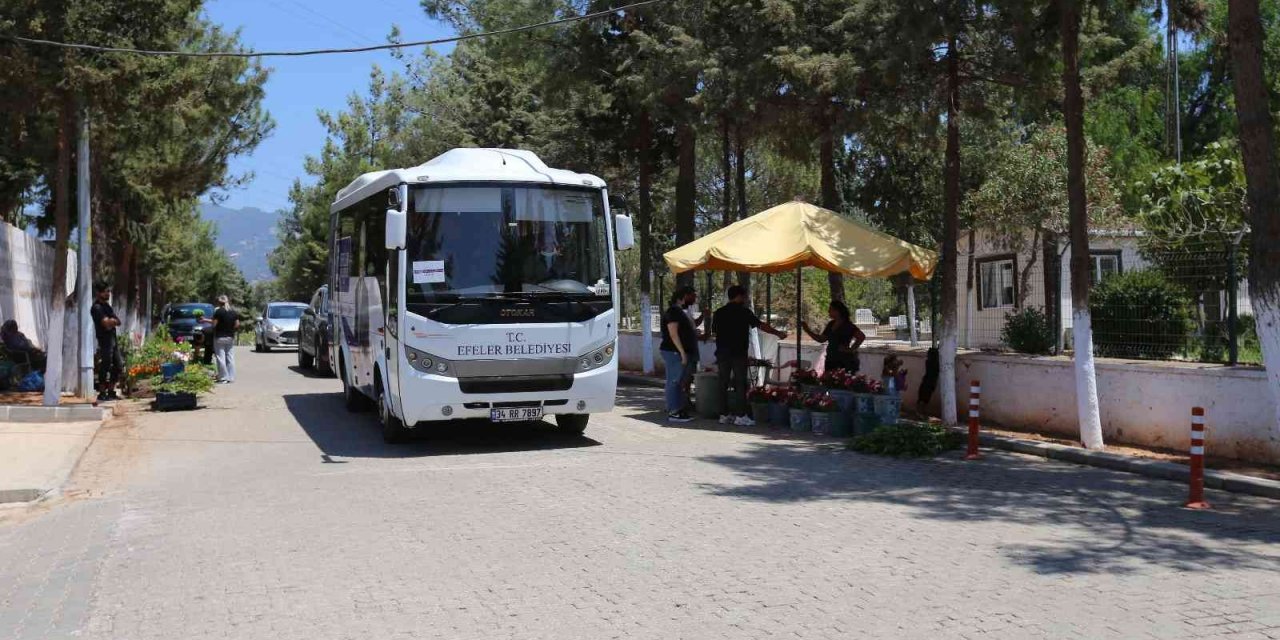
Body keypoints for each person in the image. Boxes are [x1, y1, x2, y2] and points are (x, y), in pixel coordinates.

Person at [711, 285, 787, 426]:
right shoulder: (744, 312)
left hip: (722, 352)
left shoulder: (719, 312)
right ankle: (741, 415)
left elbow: (714, 332)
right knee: (740, 384)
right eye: (744, 296)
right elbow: (760, 325)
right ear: (738, 296)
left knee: (723, 383)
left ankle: (723, 414)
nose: (745, 299)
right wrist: (778, 333)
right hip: (738, 353)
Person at [659, 286, 699, 423]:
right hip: (673, 351)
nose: (693, 298)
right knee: (674, 382)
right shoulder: (674, 312)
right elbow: (673, 333)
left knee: (678, 382)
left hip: (677, 351)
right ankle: (674, 412)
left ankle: (678, 409)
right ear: (682, 297)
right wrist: (682, 353)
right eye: (691, 296)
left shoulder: (680, 312)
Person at [801, 300, 866, 374]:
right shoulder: (831, 324)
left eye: (830, 309)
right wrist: (808, 331)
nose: (828, 311)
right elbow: (821, 339)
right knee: (829, 381)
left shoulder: (847, 325)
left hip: (843, 360)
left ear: (837, 311)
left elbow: (861, 336)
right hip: (830, 359)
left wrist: (851, 349)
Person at [90, 283, 123, 401]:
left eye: (109, 291)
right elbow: (105, 323)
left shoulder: (107, 307)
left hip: (113, 339)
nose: (108, 293)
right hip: (104, 340)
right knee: (106, 364)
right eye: (105, 291)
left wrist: (111, 321)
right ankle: (102, 392)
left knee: (119, 365)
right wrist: (110, 322)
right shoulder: (97, 308)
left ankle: (111, 391)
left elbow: (118, 321)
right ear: (98, 293)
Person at [212, 295, 239, 384]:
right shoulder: (233, 312)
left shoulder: (218, 312)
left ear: (219, 303)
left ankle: (223, 377)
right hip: (230, 337)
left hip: (219, 337)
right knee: (230, 357)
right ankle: (231, 377)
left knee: (221, 357)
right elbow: (237, 324)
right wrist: (230, 328)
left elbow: (214, 324)